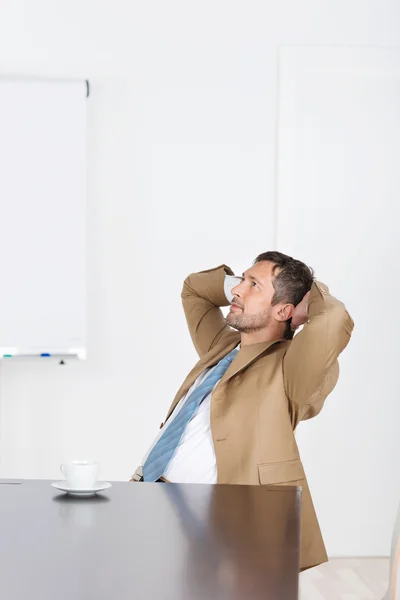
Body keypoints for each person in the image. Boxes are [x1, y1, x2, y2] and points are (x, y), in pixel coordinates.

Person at [131, 251, 354, 571]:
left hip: (220, 524)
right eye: (241, 281)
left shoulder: (294, 372)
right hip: (151, 495)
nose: (237, 290)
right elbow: (194, 289)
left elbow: (333, 321)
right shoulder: (221, 343)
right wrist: (243, 284)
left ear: (284, 310)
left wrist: (312, 296)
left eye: (253, 286)